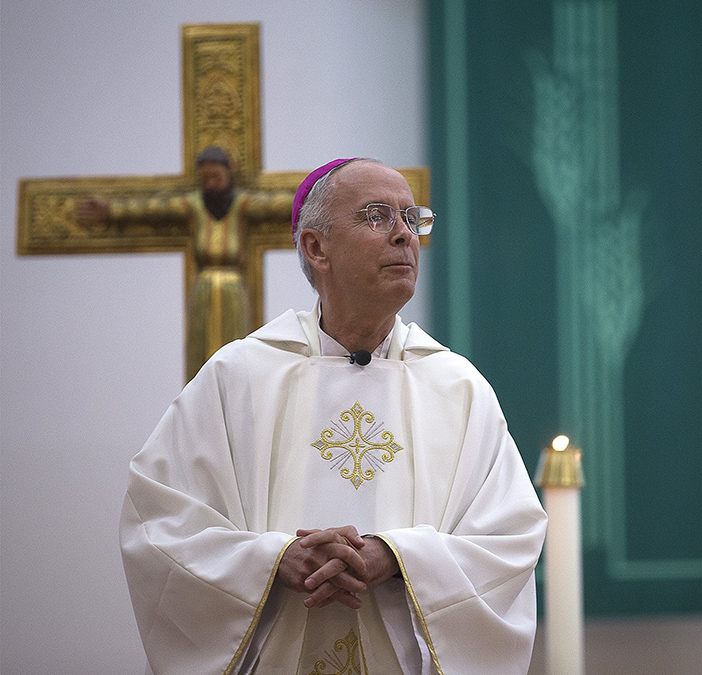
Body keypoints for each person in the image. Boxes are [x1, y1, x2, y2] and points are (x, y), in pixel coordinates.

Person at [119, 157, 547, 675]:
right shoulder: (239, 375)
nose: (403, 236)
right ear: (316, 248)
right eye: (376, 216)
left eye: (412, 219)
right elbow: (159, 522)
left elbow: (510, 536)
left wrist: (398, 558)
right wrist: (273, 561)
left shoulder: (457, 387)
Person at [77, 146, 293, 380]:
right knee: (201, 362)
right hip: (203, 291)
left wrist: (324, 199)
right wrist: (113, 210)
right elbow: (153, 210)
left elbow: (278, 204)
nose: (211, 184)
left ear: (229, 172)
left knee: (237, 357)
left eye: (216, 177)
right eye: (206, 178)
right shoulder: (193, 205)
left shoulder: (243, 204)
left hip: (233, 291)